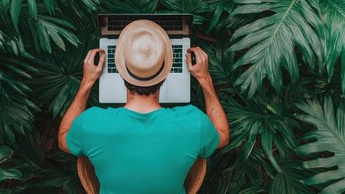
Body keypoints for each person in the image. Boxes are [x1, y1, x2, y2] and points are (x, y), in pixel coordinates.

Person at [58, 20, 229, 194]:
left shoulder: (91, 123)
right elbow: (222, 136)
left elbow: (63, 138)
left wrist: (87, 81)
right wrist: (204, 78)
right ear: (166, 70)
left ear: (120, 69)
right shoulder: (194, 122)